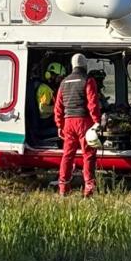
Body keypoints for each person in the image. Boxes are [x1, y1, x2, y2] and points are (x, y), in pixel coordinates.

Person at [54, 53, 103, 197]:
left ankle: (63, 188)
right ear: (85, 65)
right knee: (88, 155)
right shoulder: (88, 80)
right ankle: (88, 189)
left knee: (67, 156)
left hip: (68, 123)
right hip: (84, 122)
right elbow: (93, 103)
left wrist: (59, 125)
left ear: (73, 65)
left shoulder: (64, 82)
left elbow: (58, 106)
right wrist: (97, 121)